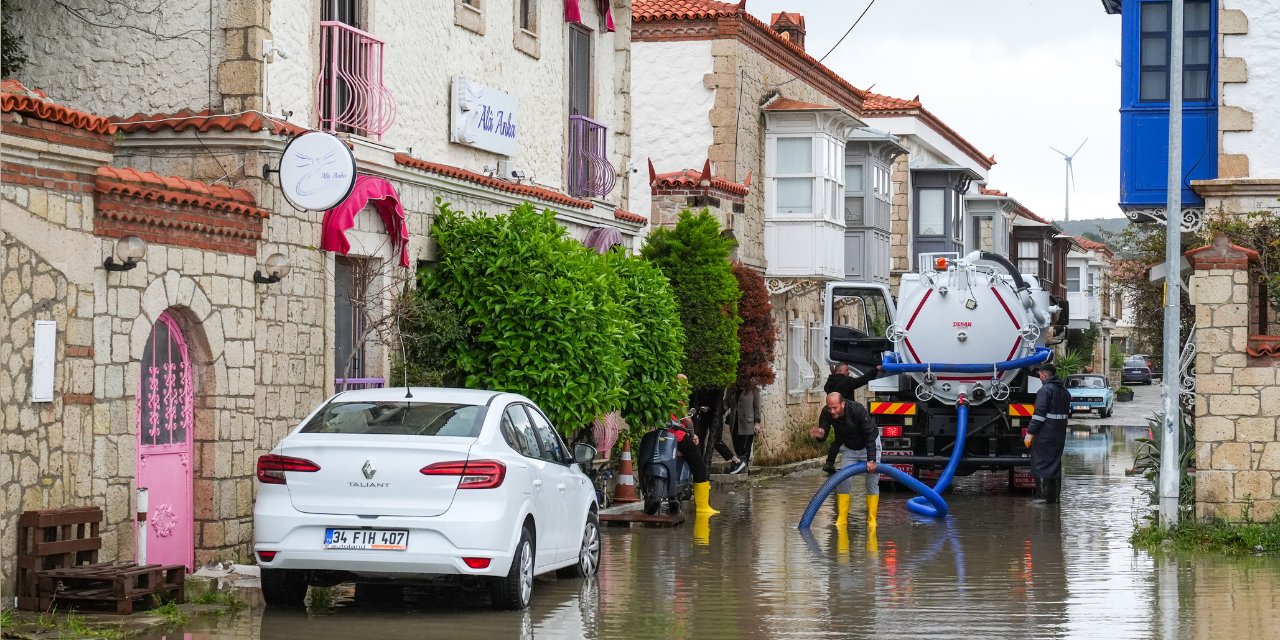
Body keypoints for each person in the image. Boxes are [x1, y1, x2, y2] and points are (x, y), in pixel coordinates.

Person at [810, 392, 880, 529]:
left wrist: (871, 459)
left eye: (835, 408)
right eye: (829, 407)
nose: (832, 411)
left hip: (868, 445)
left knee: (871, 481)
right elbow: (823, 432)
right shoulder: (826, 412)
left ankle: (872, 519)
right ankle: (842, 518)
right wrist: (821, 435)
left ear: (842, 404)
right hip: (849, 448)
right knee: (843, 480)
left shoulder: (857, 410)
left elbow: (869, 435)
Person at [821, 364, 884, 475]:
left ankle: (830, 462)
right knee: (850, 436)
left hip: (837, 419)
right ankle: (833, 463)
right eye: (847, 371)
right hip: (848, 415)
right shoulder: (847, 382)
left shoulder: (829, 383)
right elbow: (862, 380)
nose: (849, 373)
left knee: (838, 438)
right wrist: (875, 369)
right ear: (841, 371)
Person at [672, 373, 719, 515]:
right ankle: (703, 506)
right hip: (679, 436)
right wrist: (693, 435)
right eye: (685, 384)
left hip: (665, 436)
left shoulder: (666, 398)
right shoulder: (678, 399)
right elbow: (687, 421)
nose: (686, 388)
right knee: (699, 466)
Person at [1026, 363, 1070, 504]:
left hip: (1045, 432)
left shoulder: (1045, 390)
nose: (1039, 376)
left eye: (1040, 374)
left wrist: (1030, 432)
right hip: (1059, 433)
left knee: (1040, 461)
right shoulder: (1064, 391)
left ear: (1045, 374)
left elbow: (1039, 414)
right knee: (1055, 462)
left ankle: (1042, 498)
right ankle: (1054, 498)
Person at [715, 385, 761, 475]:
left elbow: (757, 406)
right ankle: (743, 469)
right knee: (737, 447)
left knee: (744, 448)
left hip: (748, 423)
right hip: (735, 422)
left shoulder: (753, 388)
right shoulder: (732, 388)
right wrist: (719, 411)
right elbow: (726, 402)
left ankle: (740, 469)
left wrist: (757, 422)